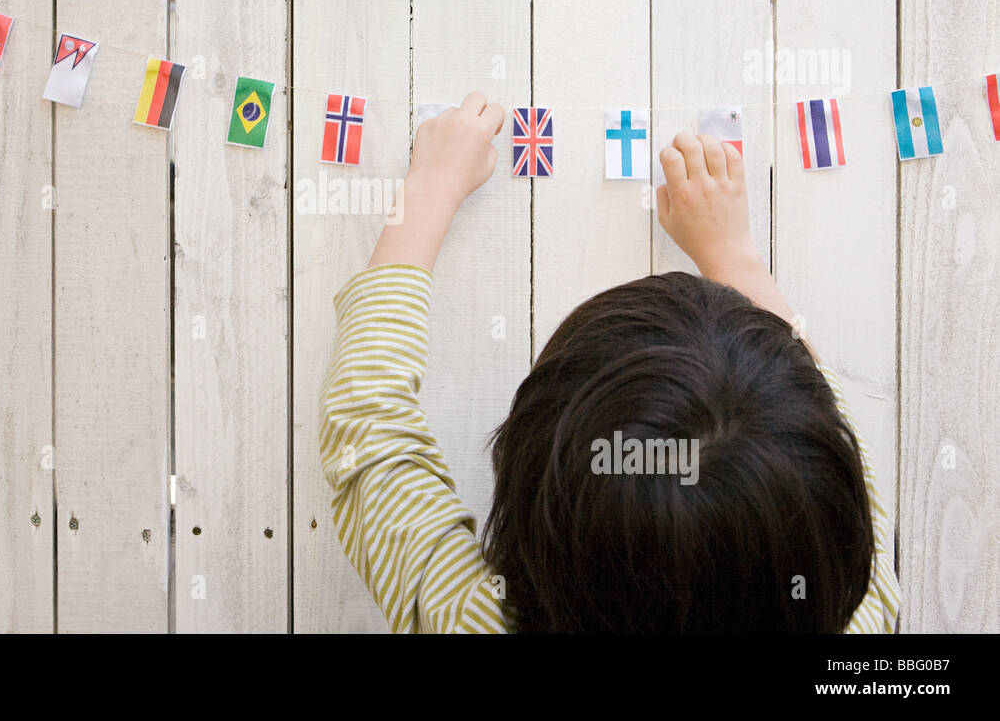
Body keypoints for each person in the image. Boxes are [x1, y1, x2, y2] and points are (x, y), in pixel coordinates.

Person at [320, 91, 900, 632]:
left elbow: (369, 427)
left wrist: (429, 192)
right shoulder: (859, 608)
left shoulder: (471, 620)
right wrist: (735, 257)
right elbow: (829, 435)